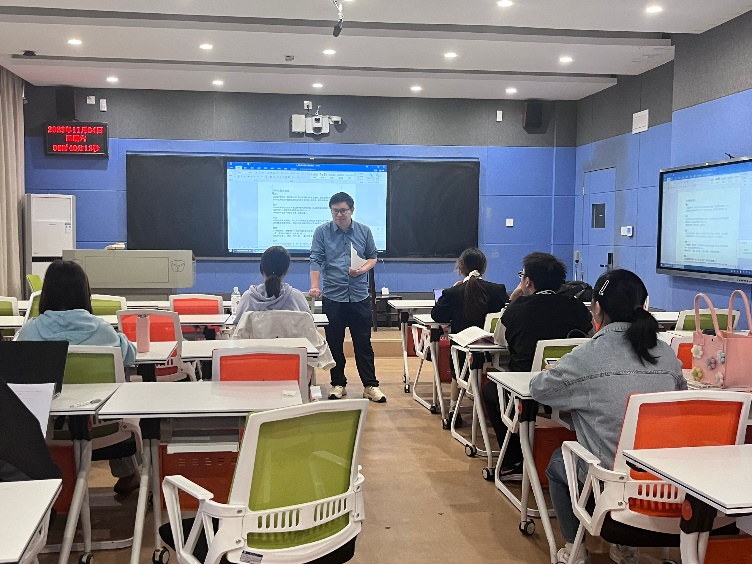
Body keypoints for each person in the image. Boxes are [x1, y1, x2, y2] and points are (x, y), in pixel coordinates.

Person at [530, 269, 686, 564]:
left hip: (610, 484)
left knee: (558, 463)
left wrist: (557, 372)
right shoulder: (667, 354)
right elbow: (680, 397)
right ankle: (625, 548)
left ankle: (575, 550)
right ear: (644, 305)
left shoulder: (586, 356)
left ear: (597, 309)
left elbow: (539, 390)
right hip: (666, 483)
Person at [16, 259, 140, 494]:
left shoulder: (30, 331)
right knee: (112, 399)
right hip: (104, 427)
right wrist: (121, 338)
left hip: (46, 429)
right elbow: (130, 356)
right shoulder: (101, 330)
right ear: (85, 293)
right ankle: (128, 473)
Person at [483, 252, 592, 477]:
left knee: (490, 391)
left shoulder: (517, 309)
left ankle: (513, 458)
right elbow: (589, 341)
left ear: (527, 281)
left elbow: (500, 340)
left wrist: (514, 300)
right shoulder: (577, 307)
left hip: (527, 391)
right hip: (572, 388)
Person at [309, 192, 386, 403]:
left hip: (359, 296)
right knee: (334, 343)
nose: (339, 215)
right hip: (333, 296)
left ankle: (370, 385)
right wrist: (314, 286)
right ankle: (338, 384)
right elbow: (315, 259)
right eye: (335, 211)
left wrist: (362, 270)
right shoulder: (322, 232)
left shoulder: (364, 231)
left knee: (363, 343)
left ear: (352, 210)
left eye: (343, 210)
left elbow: (372, 257)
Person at [431, 247, 508, 423]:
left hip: (463, 354)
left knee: (457, 370)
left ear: (460, 267)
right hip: (494, 352)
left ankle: (453, 409)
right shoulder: (497, 290)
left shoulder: (453, 293)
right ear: (484, 268)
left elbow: (437, 316)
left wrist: (450, 291)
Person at [234, 245, 310, 320]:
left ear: (261, 269)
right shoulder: (296, 298)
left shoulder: (247, 298)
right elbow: (309, 324)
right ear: (286, 271)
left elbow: (238, 325)